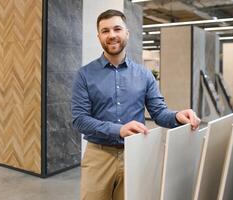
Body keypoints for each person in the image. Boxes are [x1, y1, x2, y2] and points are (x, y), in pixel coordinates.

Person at [71, 9, 200, 200]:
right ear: (99, 36)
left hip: (136, 154)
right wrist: (119, 129)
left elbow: (159, 113)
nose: (112, 35)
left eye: (117, 29)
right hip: (98, 156)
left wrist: (177, 116)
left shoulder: (144, 74)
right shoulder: (84, 75)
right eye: (105, 31)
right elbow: (80, 120)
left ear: (127, 33)